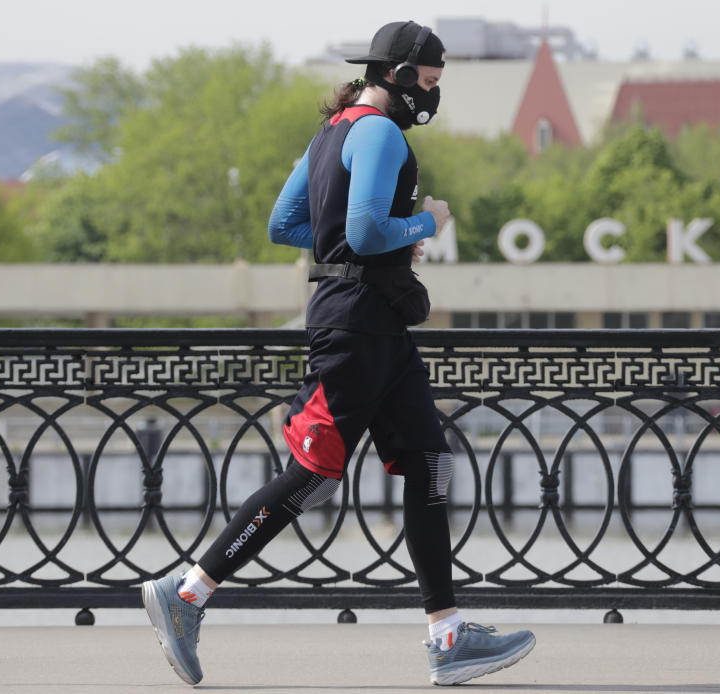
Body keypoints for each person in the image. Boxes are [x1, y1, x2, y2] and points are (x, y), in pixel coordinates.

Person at [141, 20, 535, 687]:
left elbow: (287, 225)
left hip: (375, 321)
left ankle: (448, 634)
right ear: (401, 74)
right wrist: (425, 224)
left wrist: (375, 242)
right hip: (356, 326)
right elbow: (363, 228)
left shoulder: (330, 133)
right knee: (313, 475)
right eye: (431, 84)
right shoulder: (379, 131)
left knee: (429, 463)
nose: (432, 99)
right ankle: (185, 595)